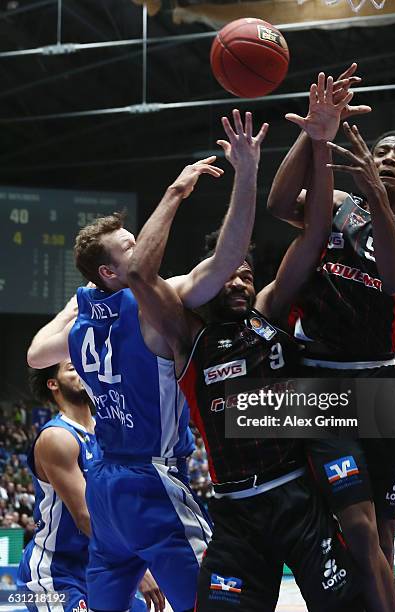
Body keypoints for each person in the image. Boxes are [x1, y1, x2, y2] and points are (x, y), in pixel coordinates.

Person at [128, 74, 364, 611]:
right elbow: (141, 274)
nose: (238, 282)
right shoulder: (189, 335)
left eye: (246, 273)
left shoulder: (270, 309)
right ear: (210, 280)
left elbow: (315, 230)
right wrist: (175, 192)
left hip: (298, 497)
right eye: (227, 274)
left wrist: (320, 141)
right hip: (236, 512)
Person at [26, 110, 268, 612]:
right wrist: (242, 175)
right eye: (130, 246)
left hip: (106, 490)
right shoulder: (153, 306)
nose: (142, 248)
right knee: (215, 601)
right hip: (150, 479)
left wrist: (83, 297)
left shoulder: (81, 324)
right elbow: (228, 257)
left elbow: (35, 353)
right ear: (113, 270)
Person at [267, 73, 395, 612]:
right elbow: (279, 203)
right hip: (316, 378)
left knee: (383, 539)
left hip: (376, 383)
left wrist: (377, 194)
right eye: (382, 150)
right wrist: (315, 134)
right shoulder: (340, 202)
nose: (389, 157)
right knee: (358, 528)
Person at [17, 360, 161, 612]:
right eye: (72, 369)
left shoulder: (109, 432)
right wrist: (138, 567)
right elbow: (85, 517)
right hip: (55, 572)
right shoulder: (57, 437)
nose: (82, 372)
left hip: (99, 565)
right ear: (53, 384)